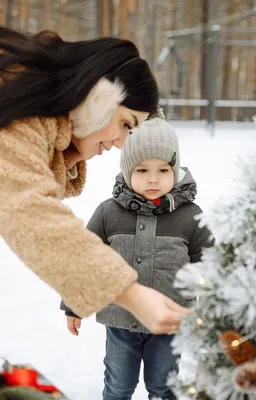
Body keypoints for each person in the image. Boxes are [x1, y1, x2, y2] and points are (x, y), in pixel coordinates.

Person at [0, 26, 188, 334]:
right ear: (99, 97)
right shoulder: (21, 95)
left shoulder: (36, 105)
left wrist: (68, 154)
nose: (120, 143)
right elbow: (28, 210)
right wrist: (134, 296)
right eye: (126, 124)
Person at [61, 116, 214, 399]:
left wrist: (212, 307)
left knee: (163, 386)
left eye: (163, 170)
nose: (153, 178)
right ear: (127, 169)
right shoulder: (109, 213)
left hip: (170, 321)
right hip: (120, 322)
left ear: (175, 170)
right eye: (142, 169)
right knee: (118, 386)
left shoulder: (190, 216)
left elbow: (209, 265)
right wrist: (73, 305)